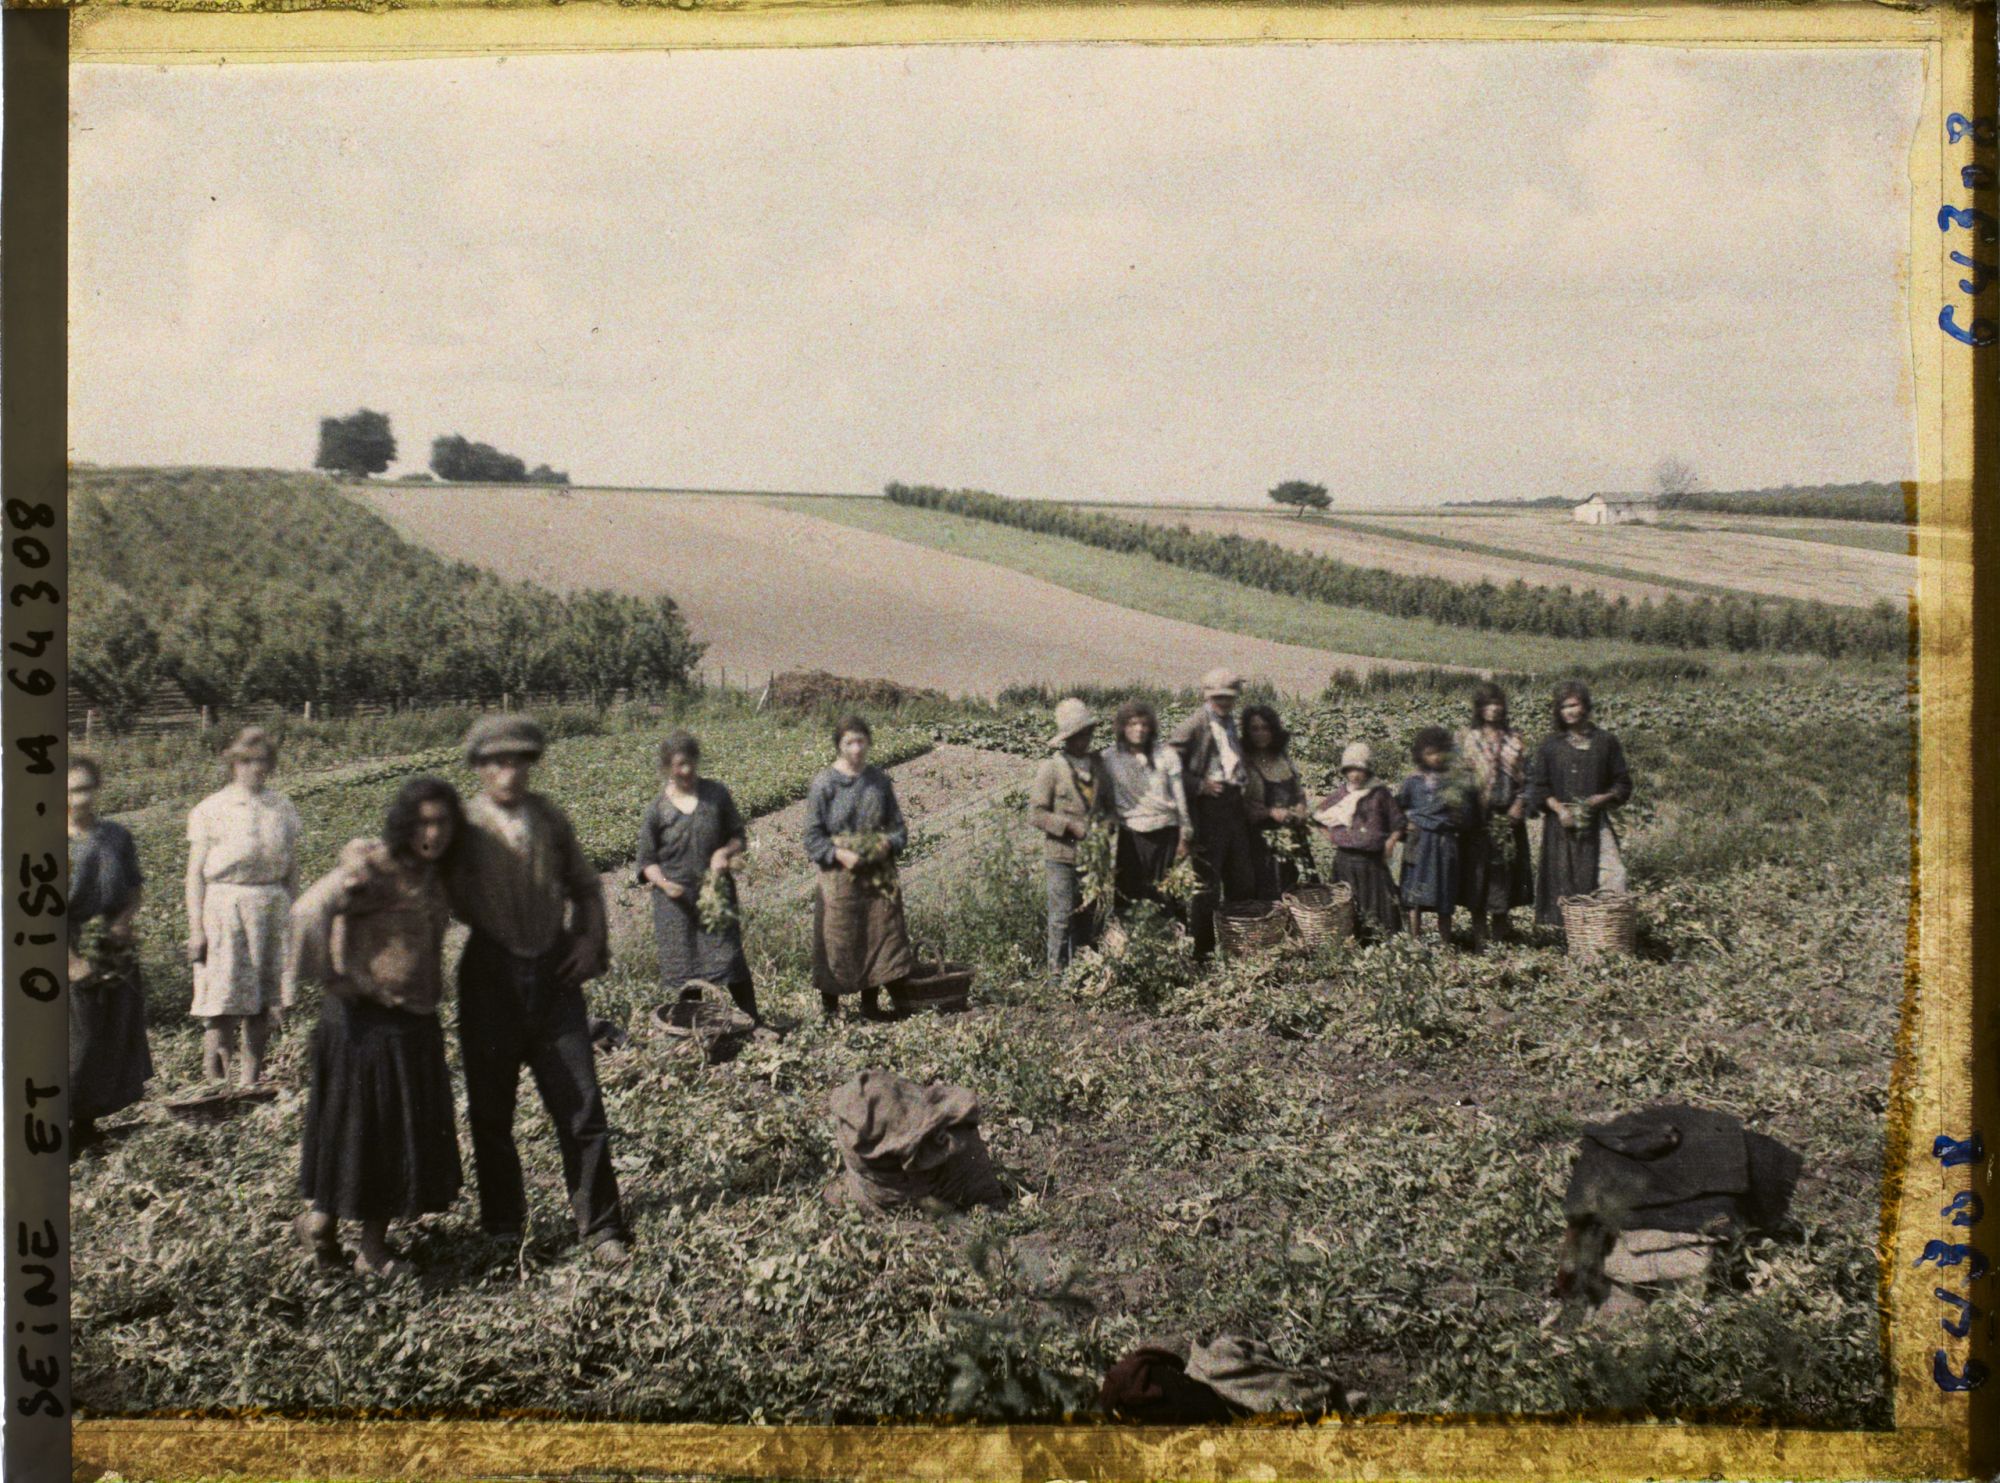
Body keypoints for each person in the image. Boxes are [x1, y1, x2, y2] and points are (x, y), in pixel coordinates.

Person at [447, 714, 631, 1268]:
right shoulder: (462, 826)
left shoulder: (549, 818)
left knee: (582, 1108)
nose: (510, 772)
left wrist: (587, 940)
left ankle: (601, 1228)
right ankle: (505, 1229)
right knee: (490, 1112)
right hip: (489, 976)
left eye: (519, 761)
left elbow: (586, 886)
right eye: (498, 762)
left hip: (553, 975)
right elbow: (426, 895)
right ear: (480, 768)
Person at [290, 778, 466, 1278]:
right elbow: (306, 912)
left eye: (443, 821)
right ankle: (371, 1251)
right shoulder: (373, 867)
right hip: (367, 1024)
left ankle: (323, 1225)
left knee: (364, 1129)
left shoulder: (432, 874)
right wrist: (333, 976)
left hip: (409, 1020)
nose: (433, 831)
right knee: (373, 1130)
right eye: (423, 822)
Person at [185, 726, 300, 1086]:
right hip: (225, 907)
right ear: (233, 764)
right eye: (248, 761)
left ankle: (251, 1081)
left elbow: (292, 870)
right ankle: (216, 1085)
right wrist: (196, 929)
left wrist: (294, 919)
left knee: (263, 1001)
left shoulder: (281, 806)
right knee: (222, 1000)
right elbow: (195, 876)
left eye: (263, 761)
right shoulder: (212, 808)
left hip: (271, 906)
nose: (256, 769)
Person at [635, 731, 755, 1022]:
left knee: (730, 959)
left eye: (690, 763)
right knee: (686, 970)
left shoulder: (716, 795)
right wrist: (664, 884)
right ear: (666, 768)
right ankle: (697, 1029)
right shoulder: (657, 810)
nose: (686, 771)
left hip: (715, 894)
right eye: (678, 765)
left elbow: (738, 836)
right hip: (675, 904)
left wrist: (724, 853)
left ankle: (753, 1021)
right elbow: (646, 862)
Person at [66, 757, 154, 1153]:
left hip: (111, 946)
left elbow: (133, 886)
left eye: (86, 788)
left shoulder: (116, 836)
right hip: (66, 947)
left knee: (108, 1035)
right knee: (75, 1041)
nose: (80, 798)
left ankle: (85, 1125)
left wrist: (122, 921)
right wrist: (71, 962)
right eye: (71, 790)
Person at [803, 714, 916, 1022]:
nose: (856, 749)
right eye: (849, 742)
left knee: (879, 933)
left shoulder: (879, 781)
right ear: (838, 746)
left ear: (869, 742)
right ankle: (831, 1009)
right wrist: (840, 854)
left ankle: (871, 1005)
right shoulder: (824, 784)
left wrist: (886, 844)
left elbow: (899, 829)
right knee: (837, 936)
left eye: (861, 741)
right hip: (839, 876)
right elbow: (813, 838)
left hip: (877, 872)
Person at [1522, 680, 1635, 927]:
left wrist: (1601, 798)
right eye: (1564, 707)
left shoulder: (1605, 742)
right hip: (1560, 822)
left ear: (1585, 706)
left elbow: (1622, 782)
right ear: (1558, 712)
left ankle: (1604, 929)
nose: (1570, 711)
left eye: (1574, 704)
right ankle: (1573, 935)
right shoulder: (1550, 746)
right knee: (1565, 877)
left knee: (1612, 874)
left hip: (1596, 821)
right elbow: (1539, 786)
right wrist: (1560, 810)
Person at [1167, 669, 1261, 960]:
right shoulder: (1194, 724)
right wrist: (1199, 784)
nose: (1224, 702)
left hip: (1234, 807)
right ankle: (1201, 952)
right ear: (1208, 696)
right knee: (1206, 885)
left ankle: (1239, 948)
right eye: (1218, 697)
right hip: (1209, 811)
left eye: (1229, 698)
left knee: (1241, 878)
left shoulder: (1229, 721)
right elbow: (1167, 764)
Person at [1028, 698, 1116, 973]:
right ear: (1067, 738)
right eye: (1078, 735)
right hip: (1062, 856)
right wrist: (1069, 826)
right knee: (1062, 917)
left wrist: (1106, 828)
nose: (1084, 740)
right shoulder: (1051, 769)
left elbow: (1110, 807)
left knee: (1090, 915)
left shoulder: (1099, 766)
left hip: (1093, 857)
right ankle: (1057, 976)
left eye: (1087, 733)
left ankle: (1084, 973)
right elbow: (1036, 814)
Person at [1458, 682, 1534, 947]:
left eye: (1497, 703)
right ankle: (1479, 939)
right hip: (1476, 819)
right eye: (1488, 704)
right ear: (1480, 708)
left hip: (1508, 817)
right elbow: (1460, 777)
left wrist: (1519, 804)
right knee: (1476, 875)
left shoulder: (1515, 739)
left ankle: (1500, 937)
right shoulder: (1469, 739)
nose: (1493, 709)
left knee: (1504, 875)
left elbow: (1528, 779)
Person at [1100, 699, 1192, 915]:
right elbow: (1102, 796)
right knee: (1129, 897)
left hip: (1165, 833)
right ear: (1122, 727)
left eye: (1144, 724)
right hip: (1131, 835)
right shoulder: (1109, 757)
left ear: (1151, 728)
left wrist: (1185, 836)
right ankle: (1129, 944)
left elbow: (1180, 799)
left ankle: (1174, 944)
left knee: (1167, 896)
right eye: (1132, 724)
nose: (1139, 729)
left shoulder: (1166, 755)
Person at [1311, 743, 1405, 940]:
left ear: (1368, 770)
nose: (1355, 775)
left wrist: (1390, 842)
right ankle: (1352, 939)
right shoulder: (1341, 794)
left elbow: (1398, 822)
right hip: (1345, 860)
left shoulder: (1380, 793)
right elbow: (1318, 817)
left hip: (1372, 862)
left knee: (1379, 906)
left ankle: (1380, 940)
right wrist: (1331, 837)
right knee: (1347, 904)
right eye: (1351, 770)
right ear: (1345, 771)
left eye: (1360, 769)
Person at [1395, 726, 1478, 945]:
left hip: (1443, 844)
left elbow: (1466, 815)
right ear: (1420, 755)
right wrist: (1406, 824)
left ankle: (1445, 943)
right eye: (1430, 753)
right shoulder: (1412, 782)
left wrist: (1455, 820)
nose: (1436, 757)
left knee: (1444, 894)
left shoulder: (1454, 782)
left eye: (1440, 752)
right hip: (1419, 843)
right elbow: (1397, 808)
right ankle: (1414, 940)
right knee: (1414, 896)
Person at [1240, 704, 1317, 901]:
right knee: (1269, 891)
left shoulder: (1282, 758)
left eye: (1265, 728)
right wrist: (1271, 813)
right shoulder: (1245, 763)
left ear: (1274, 730)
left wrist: (1300, 808)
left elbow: (1298, 792)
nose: (1260, 734)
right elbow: (1241, 807)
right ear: (1247, 732)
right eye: (1254, 729)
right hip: (1262, 841)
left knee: (1299, 886)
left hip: (1292, 835)